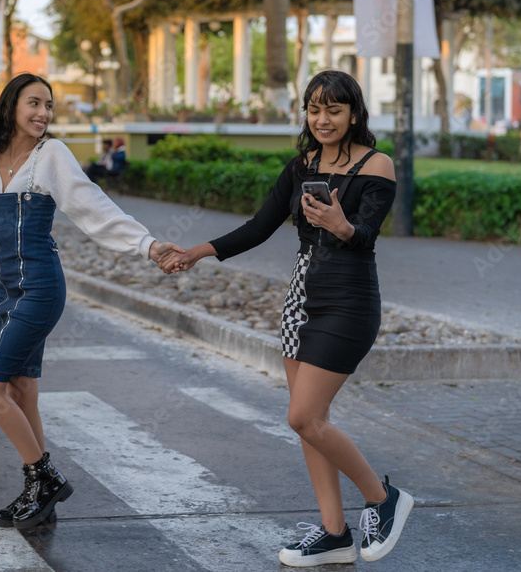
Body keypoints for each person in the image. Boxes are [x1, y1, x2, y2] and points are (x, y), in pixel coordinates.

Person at [159, 70, 413, 567]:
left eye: (334, 110)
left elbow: (365, 235)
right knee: (310, 422)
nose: (323, 119)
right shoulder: (303, 165)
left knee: (303, 415)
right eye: (314, 109)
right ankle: (334, 533)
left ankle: (384, 499)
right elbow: (259, 226)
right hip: (300, 300)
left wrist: (341, 225)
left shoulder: (376, 165)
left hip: (349, 301)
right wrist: (197, 252)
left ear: (354, 113)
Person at [0, 73, 182, 529]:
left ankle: (44, 479)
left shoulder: (52, 156)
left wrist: (147, 244)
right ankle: (39, 497)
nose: (43, 113)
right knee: (22, 390)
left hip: (42, 287)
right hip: (7, 290)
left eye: (49, 105)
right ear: (11, 107)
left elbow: (92, 206)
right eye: (34, 103)